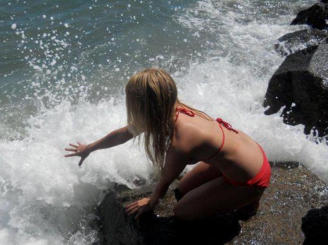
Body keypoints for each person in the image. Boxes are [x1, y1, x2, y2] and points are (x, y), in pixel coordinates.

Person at [65, 68, 271, 221]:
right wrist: (89, 148)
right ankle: (243, 194)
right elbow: (125, 133)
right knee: (182, 190)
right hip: (251, 153)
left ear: (144, 107)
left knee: (181, 212)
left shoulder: (182, 139)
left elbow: (165, 180)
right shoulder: (175, 109)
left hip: (251, 178)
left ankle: (251, 198)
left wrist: (151, 202)